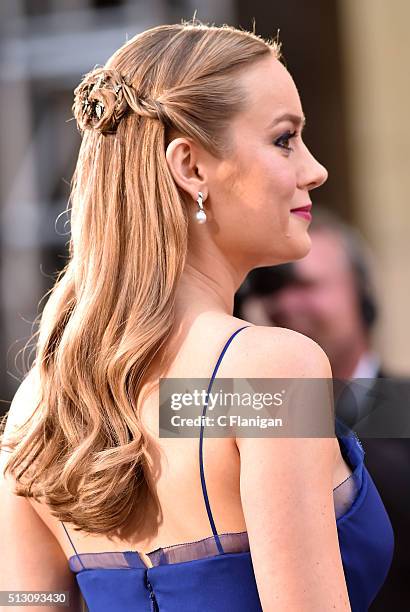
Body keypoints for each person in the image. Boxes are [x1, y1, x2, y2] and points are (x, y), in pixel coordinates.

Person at [0, 21, 394, 612]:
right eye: (285, 139)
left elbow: (25, 600)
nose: (315, 171)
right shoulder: (271, 372)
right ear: (190, 168)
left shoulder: (41, 400)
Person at [235, 207, 410, 609]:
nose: (284, 304)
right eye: (269, 288)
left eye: (305, 285)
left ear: (362, 294)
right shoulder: (249, 412)